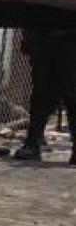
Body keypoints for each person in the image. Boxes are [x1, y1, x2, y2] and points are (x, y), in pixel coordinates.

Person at [13, 28, 76, 164]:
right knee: (41, 95)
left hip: (69, 41)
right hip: (45, 40)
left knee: (72, 95)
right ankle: (32, 143)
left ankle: (32, 143)